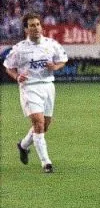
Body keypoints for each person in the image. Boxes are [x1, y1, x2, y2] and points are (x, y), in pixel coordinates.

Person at [3, 12, 68, 173]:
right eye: (32, 25)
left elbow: (63, 59)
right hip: (29, 87)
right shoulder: (19, 49)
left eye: (38, 24)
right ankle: (46, 163)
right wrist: (17, 76)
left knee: (44, 126)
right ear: (26, 29)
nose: (36, 28)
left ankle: (23, 145)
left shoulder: (50, 44)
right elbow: (8, 66)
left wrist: (55, 67)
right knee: (38, 123)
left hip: (47, 86)